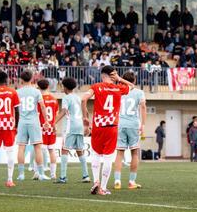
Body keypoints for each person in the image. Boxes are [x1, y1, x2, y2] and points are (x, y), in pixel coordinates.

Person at [82, 65, 133, 195]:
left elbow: (83, 99)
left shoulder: (96, 86)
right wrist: (120, 78)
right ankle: (103, 188)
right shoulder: (118, 88)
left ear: (102, 75)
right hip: (112, 127)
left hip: (98, 126)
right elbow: (132, 86)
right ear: (113, 75)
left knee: (96, 155)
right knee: (108, 158)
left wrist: (85, 117)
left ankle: (96, 181)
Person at [113, 71, 147, 190]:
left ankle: (117, 181)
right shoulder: (139, 92)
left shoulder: (118, 91)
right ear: (134, 81)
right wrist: (143, 124)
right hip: (133, 124)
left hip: (120, 124)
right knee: (135, 153)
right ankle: (131, 181)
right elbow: (143, 107)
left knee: (119, 153)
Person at [53, 77, 90, 184]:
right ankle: (86, 175)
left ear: (65, 87)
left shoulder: (67, 98)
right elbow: (86, 112)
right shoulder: (78, 97)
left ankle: (63, 177)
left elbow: (64, 111)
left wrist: (53, 123)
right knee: (80, 151)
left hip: (71, 126)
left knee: (64, 149)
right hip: (80, 126)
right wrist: (87, 126)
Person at [15, 70, 48, 181]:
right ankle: (41, 174)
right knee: (38, 147)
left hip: (22, 121)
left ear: (21, 79)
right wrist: (46, 121)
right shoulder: (36, 92)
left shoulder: (17, 92)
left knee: (21, 147)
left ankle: (21, 174)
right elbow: (42, 107)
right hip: (34, 121)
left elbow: (15, 109)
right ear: (32, 79)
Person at [39, 78, 60, 179]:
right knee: (51, 150)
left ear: (39, 87)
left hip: (41, 126)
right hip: (51, 127)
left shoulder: (38, 99)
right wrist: (54, 125)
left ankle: (40, 172)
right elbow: (56, 114)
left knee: (40, 150)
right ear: (48, 86)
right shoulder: (54, 99)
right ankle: (53, 174)